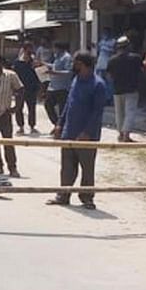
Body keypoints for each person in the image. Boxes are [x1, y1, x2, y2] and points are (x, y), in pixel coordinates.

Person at [47, 51, 107, 210]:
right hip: (69, 132)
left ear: (84, 65)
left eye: (76, 63)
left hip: (87, 136)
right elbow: (68, 104)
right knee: (67, 166)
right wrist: (59, 124)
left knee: (87, 168)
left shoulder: (98, 85)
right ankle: (63, 195)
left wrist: (87, 132)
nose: (74, 66)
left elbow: (97, 112)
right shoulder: (76, 80)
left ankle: (87, 198)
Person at [107, 36, 143, 142]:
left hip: (117, 89)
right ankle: (126, 134)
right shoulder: (136, 58)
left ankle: (121, 134)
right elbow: (142, 70)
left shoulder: (112, 60)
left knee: (119, 113)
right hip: (132, 89)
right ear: (128, 46)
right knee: (130, 112)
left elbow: (108, 75)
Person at [12, 42, 41, 135]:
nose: (29, 52)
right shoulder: (17, 62)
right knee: (19, 108)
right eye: (28, 50)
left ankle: (32, 126)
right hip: (20, 89)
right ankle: (21, 127)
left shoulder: (34, 62)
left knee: (32, 108)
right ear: (24, 50)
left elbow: (39, 75)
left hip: (32, 89)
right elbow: (14, 76)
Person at [44, 42, 73, 128]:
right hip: (53, 87)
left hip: (63, 88)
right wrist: (45, 64)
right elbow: (55, 66)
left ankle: (61, 128)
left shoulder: (67, 57)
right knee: (48, 105)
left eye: (54, 48)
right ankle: (57, 124)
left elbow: (69, 72)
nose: (53, 50)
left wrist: (54, 73)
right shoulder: (57, 57)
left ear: (59, 48)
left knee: (62, 110)